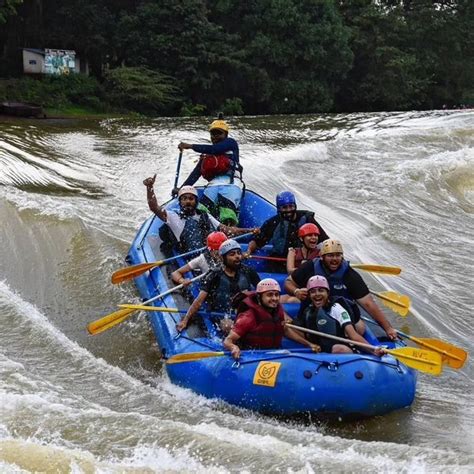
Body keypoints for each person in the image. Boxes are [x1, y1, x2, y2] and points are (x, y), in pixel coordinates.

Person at [284, 239, 398, 340]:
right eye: (330, 255)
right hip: (312, 312)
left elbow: (368, 303)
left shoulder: (350, 275)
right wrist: (296, 292)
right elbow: (289, 282)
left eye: (338, 255)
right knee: (286, 312)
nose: (335, 259)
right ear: (322, 257)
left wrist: (388, 328)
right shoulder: (309, 267)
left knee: (360, 327)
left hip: (339, 316)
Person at [143, 175, 255, 252]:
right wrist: (150, 188)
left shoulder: (205, 215)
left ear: (196, 201)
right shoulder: (173, 216)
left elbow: (227, 230)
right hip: (190, 255)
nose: (188, 201)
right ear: (180, 202)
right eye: (184, 199)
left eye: (191, 199)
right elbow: (154, 207)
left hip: (211, 253)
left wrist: (250, 231)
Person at [223, 278, 321, 359]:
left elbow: (285, 330)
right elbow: (228, 341)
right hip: (251, 356)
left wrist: (309, 344)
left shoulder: (277, 310)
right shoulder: (248, 317)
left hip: (271, 353)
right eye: (269, 295)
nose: (274, 298)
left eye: (276, 294)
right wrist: (233, 347)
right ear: (259, 297)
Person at [176, 239, 261, 332]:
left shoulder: (248, 271)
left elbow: (262, 293)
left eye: (238, 253)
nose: (237, 256)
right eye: (232, 254)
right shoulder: (214, 275)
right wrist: (186, 319)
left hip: (243, 311)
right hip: (221, 314)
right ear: (222, 258)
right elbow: (199, 301)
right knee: (229, 326)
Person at [292, 276, 385, 355]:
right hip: (321, 350)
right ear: (309, 295)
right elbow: (305, 333)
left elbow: (353, 335)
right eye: (313, 291)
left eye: (321, 290)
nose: (317, 294)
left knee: (338, 348)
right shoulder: (308, 311)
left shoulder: (337, 309)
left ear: (327, 293)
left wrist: (373, 350)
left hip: (342, 348)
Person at [177, 118, 242, 225]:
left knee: (227, 215)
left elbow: (215, 149)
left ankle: (228, 234)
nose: (215, 136)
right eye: (213, 134)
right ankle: (205, 235)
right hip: (213, 186)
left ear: (225, 134)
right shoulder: (207, 155)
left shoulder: (231, 143)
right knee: (201, 212)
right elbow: (195, 174)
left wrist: (191, 146)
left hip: (231, 185)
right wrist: (181, 189)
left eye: (219, 133)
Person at [245, 191, 329, 271]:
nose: (288, 210)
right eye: (284, 207)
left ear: (295, 206)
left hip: (302, 262)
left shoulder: (307, 219)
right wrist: (248, 251)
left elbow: (324, 241)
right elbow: (256, 241)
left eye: (291, 206)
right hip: (278, 263)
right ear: (278, 208)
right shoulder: (273, 223)